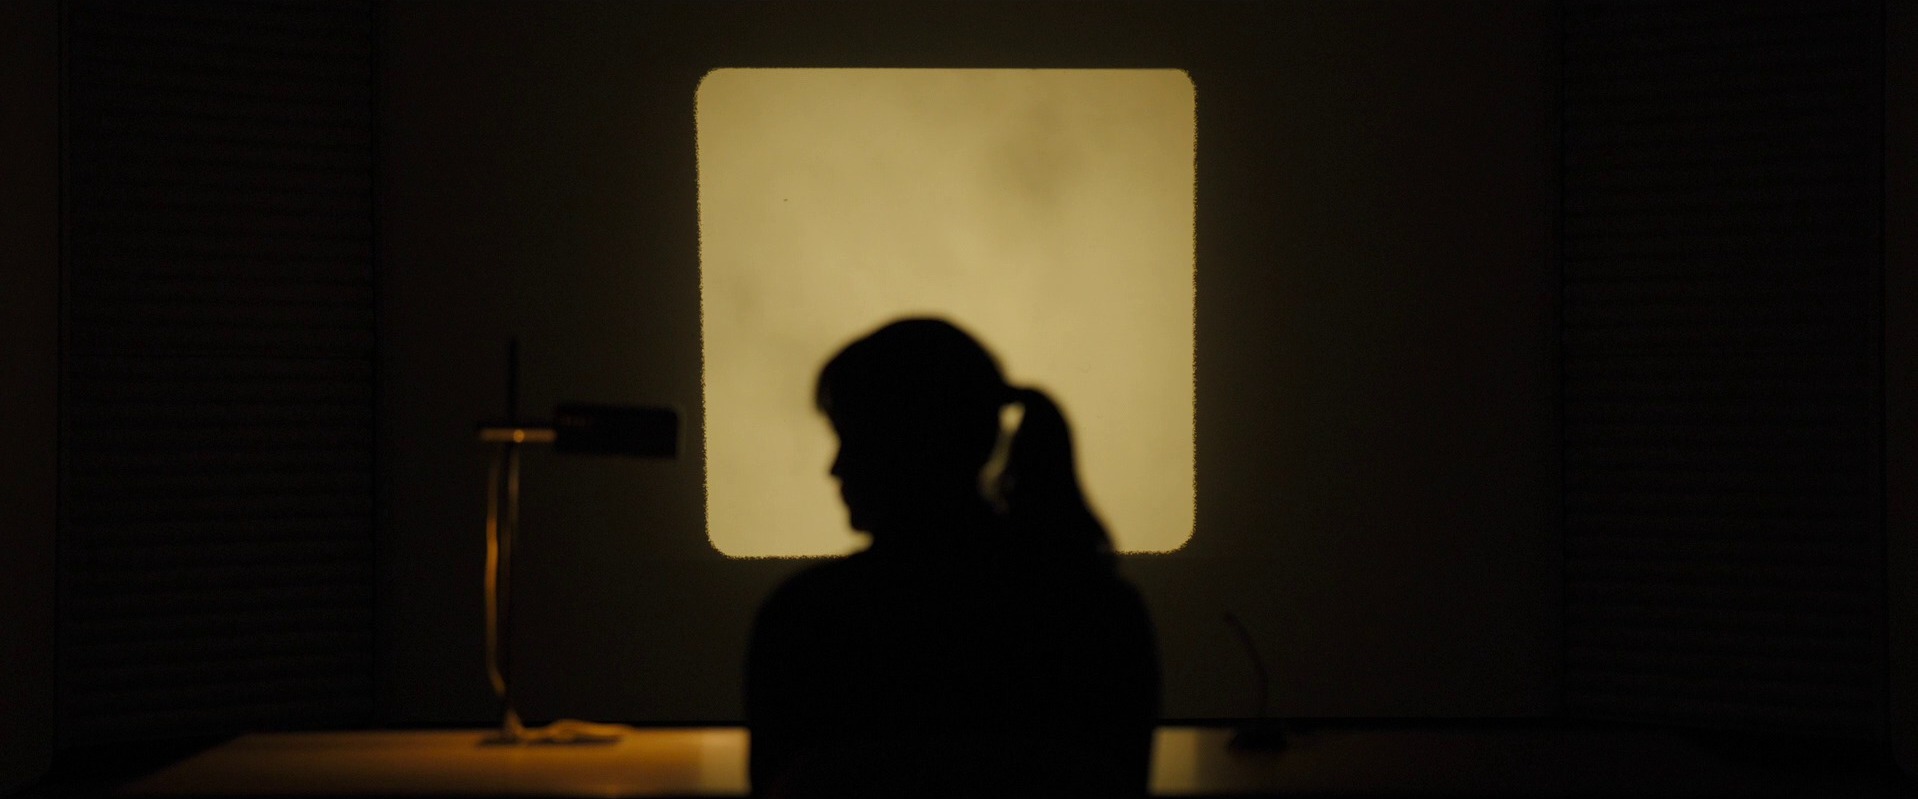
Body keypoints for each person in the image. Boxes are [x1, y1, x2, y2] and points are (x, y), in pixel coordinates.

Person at [745, 317, 1160, 798]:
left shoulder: (808, 618)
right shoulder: (1099, 613)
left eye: (854, 438)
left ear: (907, 445)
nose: (834, 467)